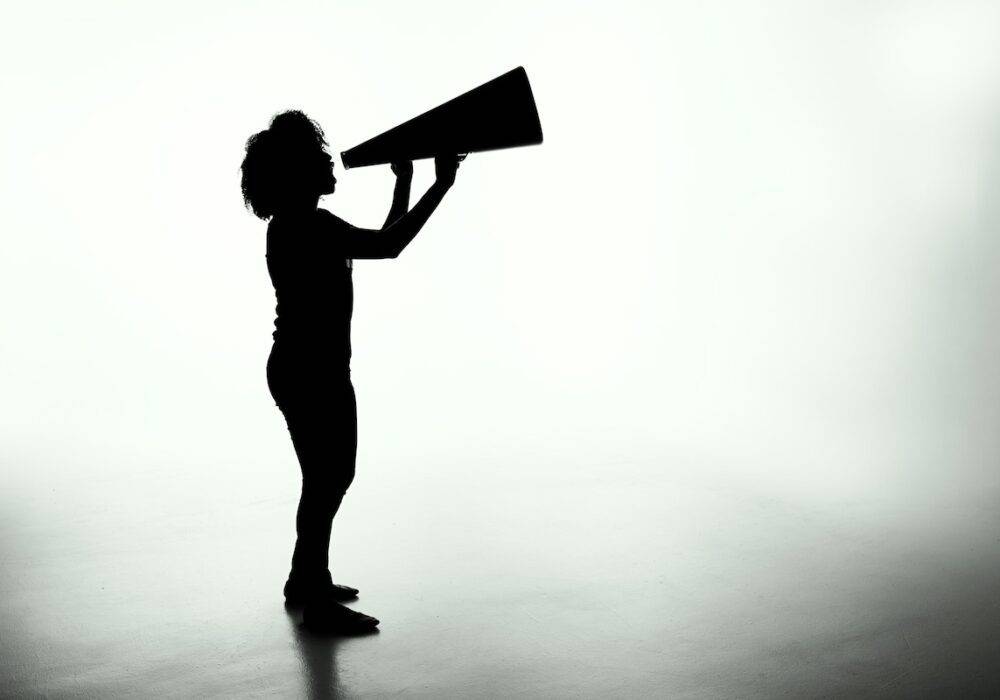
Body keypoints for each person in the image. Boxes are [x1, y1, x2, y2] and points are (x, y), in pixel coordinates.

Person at [240, 110, 460, 633]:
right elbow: (390, 246)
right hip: (311, 371)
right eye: (320, 158)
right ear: (299, 174)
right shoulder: (308, 226)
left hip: (303, 368)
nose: (331, 162)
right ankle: (313, 597)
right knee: (327, 479)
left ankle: (305, 578)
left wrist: (405, 181)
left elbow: (382, 237)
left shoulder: (299, 224)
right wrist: (441, 184)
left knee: (326, 479)